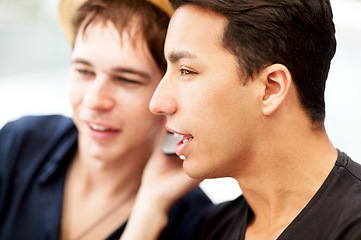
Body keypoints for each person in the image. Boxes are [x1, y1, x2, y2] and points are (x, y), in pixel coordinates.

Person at [134, 0, 361, 239]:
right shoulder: (211, 228)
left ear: (271, 88)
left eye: (187, 71)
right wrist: (150, 203)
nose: (157, 103)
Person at [0, 0, 213, 239]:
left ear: (167, 94)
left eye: (127, 80)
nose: (94, 100)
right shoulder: (17, 144)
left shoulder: (197, 223)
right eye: (84, 71)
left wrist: (150, 210)